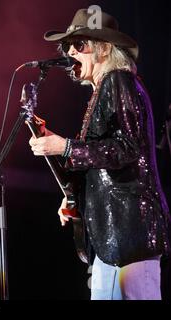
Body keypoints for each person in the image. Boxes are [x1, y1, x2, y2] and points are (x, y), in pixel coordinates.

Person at [28, 8, 170, 299]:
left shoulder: (118, 81)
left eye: (79, 45)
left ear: (104, 49)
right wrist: (74, 199)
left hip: (131, 235)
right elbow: (102, 161)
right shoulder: (103, 89)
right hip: (112, 239)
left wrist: (66, 147)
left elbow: (127, 148)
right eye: (67, 46)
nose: (70, 53)